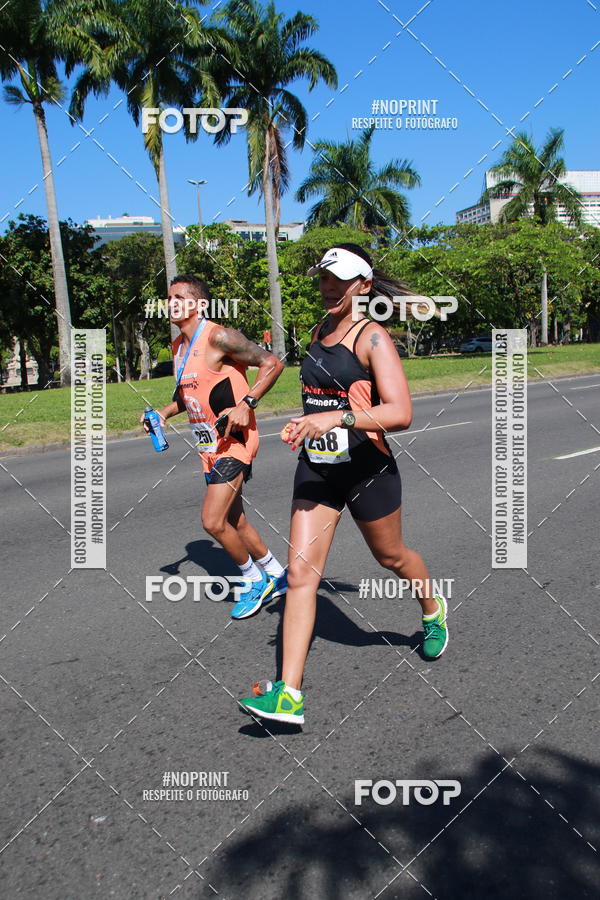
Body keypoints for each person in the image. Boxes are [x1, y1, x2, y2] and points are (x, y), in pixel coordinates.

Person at [239, 244, 449, 724]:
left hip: (366, 467)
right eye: (323, 279)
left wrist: (340, 417)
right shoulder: (316, 332)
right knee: (299, 577)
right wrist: (306, 423)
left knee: (392, 556)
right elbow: (318, 399)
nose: (327, 287)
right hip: (318, 469)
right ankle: (288, 695)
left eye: (338, 278)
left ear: (364, 285)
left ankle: (432, 610)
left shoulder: (372, 338)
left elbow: (401, 413)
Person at [143, 274, 287, 618]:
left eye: (179, 297)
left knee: (212, 520)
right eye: (169, 297)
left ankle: (253, 580)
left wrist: (246, 403)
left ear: (199, 305)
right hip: (208, 447)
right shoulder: (179, 347)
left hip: (235, 441)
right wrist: (163, 413)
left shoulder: (219, 337)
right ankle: (278, 574)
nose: (171, 303)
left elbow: (273, 363)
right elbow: (188, 393)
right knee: (234, 520)